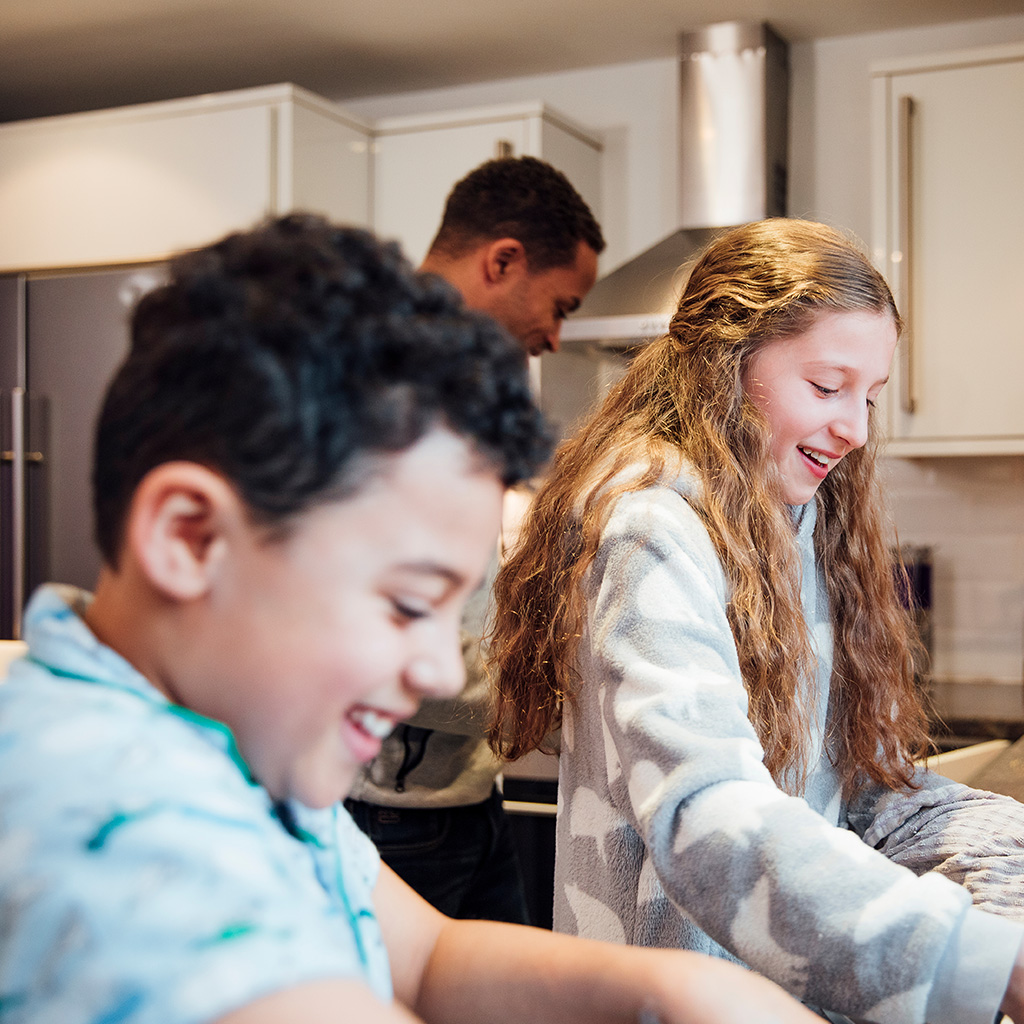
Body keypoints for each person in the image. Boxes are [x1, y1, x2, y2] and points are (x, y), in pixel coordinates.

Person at [0, 214, 823, 1024]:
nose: (437, 671)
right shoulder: (114, 834)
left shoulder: (227, 749)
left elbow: (427, 957)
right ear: (191, 536)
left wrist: (674, 989)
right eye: (404, 603)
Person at [488, 218, 1024, 1024]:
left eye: (869, 395)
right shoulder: (653, 531)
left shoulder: (788, 521)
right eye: (826, 386)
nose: (857, 428)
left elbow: (847, 795)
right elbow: (707, 819)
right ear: (726, 366)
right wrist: (980, 964)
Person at [345, 155, 604, 923]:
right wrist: (568, 715)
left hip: (457, 795)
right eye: (560, 305)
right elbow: (375, 640)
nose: (556, 337)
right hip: (385, 813)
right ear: (502, 261)